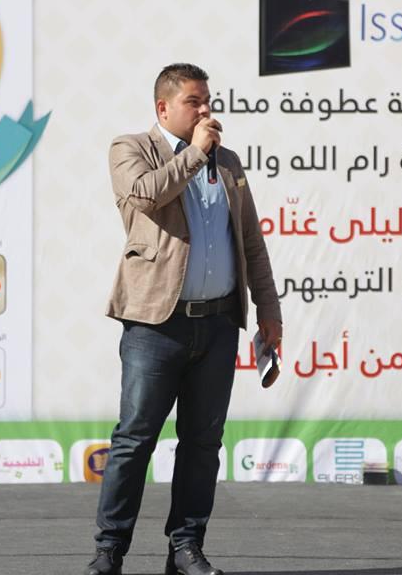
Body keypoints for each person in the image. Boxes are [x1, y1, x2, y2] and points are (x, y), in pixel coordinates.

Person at [86, 63, 283, 575]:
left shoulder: (228, 162)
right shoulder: (131, 148)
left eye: (208, 100)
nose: (206, 110)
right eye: (194, 101)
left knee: (202, 444)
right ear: (164, 107)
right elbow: (145, 196)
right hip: (156, 325)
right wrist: (194, 153)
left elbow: (251, 241)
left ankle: (185, 548)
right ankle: (110, 550)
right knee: (135, 439)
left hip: (217, 324)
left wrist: (268, 310)